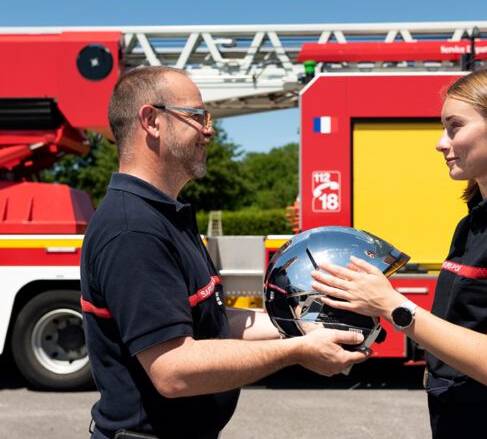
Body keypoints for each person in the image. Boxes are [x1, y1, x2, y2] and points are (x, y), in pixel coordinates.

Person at [81, 66, 368, 439]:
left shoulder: (164, 215)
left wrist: (302, 325)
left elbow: (207, 320)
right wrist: (297, 350)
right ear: (151, 121)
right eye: (197, 116)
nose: (209, 129)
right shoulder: (133, 229)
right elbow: (173, 369)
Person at [311, 67, 487, 438]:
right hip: (456, 418)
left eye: (455, 126)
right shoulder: (473, 224)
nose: (440, 142)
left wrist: (392, 305)